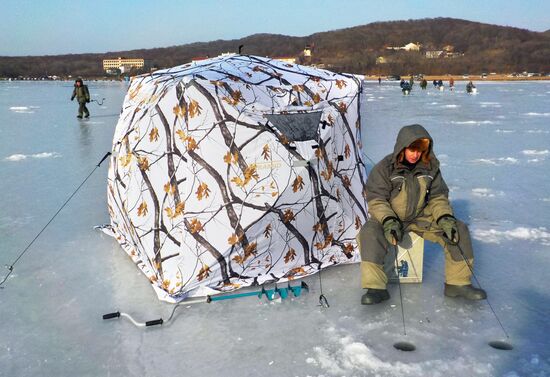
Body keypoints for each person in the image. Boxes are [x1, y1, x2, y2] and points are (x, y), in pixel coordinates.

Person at [357, 124, 487, 304]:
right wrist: (388, 220)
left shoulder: (430, 167)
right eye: (412, 149)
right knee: (369, 233)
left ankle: (457, 283)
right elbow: (376, 199)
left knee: (458, 229)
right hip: (390, 218)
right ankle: (375, 288)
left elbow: (437, 196)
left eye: (420, 150)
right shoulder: (385, 168)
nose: (415, 154)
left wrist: (444, 218)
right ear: (402, 146)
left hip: (420, 217)